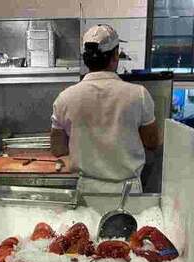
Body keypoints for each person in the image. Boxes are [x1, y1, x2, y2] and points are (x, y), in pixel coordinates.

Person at [50, 24, 161, 193]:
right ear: (115, 56)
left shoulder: (65, 98)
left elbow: (58, 148)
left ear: (86, 58)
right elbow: (152, 142)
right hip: (128, 191)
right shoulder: (139, 95)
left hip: (87, 190)